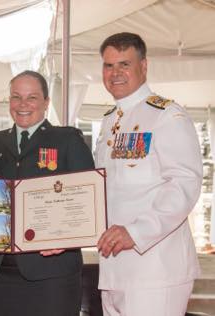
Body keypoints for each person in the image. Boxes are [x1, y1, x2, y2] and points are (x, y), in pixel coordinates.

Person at [95, 32, 202, 316]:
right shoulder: (109, 122)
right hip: (113, 269)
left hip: (155, 268)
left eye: (124, 64)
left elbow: (184, 184)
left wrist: (136, 232)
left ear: (144, 66)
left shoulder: (167, 116)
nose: (115, 73)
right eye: (108, 66)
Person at [0, 70, 95, 316]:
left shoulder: (68, 140)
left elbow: (87, 203)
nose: (23, 105)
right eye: (16, 97)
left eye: (32, 98)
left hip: (51, 272)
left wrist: (66, 240)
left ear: (46, 103)